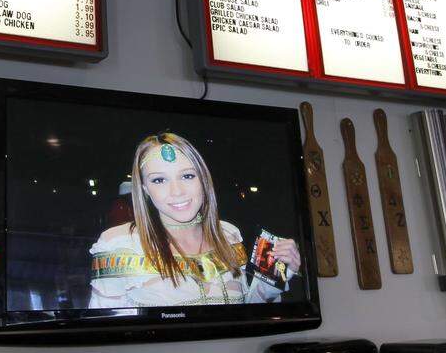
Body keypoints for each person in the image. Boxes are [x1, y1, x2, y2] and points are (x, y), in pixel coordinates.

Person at [88, 132, 301, 308]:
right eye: (159, 180)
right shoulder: (119, 244)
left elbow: (247, 314)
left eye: (187, 176)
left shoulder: (228, 234)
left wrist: (276, 274)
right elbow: (104, 333)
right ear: (145, 189)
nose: (177, 191)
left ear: (203, 180)